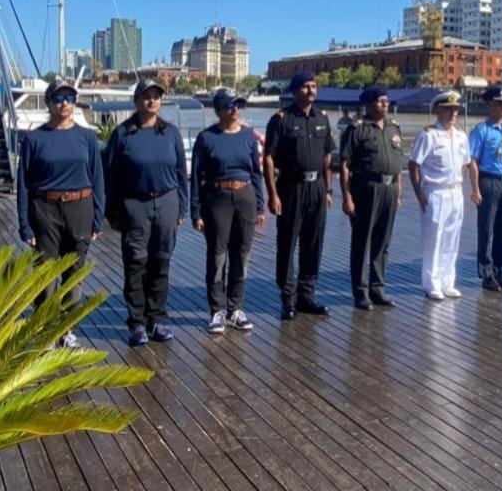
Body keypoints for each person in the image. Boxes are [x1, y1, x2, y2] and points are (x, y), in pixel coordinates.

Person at [17, 76, 105, 347]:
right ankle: (46, 330)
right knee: (45, 274)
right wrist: (24, 224)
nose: (64, 103)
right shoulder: (34, 139)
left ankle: (67, 329)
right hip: (45, 209)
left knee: (74, 274)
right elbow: (23, 183)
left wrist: (98, 218)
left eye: (70, 98)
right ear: (48, 102)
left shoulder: (87, 138)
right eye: (58, 98)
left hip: (80, 207)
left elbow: (98, 179)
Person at [104, 80, 188, 346]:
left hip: (166, 202)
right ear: (136, 100)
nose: (152, 101)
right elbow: (110, 176)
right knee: (136, 263)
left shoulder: (171, 133)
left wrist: (182, 207)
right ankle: (137, 324)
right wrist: (111, 211)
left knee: (161, 263)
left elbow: (181, 174)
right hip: (134, 205)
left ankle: (157, 320)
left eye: (156, 97)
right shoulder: (122, 134)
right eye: (146, 96)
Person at [192, 88, 266, 333]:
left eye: (239, 105)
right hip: (216, 198)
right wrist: (196, 211)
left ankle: (235, 308)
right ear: (219, 110)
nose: (236, 110)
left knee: (242, 255)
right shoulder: (206, 138)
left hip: (245, 196)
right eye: (231, 106)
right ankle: (217, 310)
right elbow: (196, 178)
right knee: (217, 255)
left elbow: (256, 172)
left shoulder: (247, 136)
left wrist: (260, 204)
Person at [264, 72, 334, 321]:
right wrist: (273, 194)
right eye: (305, 86)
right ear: (294, 91)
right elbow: (269, 158)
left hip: (317, 189)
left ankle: (307, 296)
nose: (311, 90)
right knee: (287, 244)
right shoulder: (281, 119)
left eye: (314, 86)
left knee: (313, 243)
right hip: (291, 188)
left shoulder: (323, 119)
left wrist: (328, 189)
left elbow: (328, 157)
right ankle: (288, 298)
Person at [339, 85, 403, 310]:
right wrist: (347, 197)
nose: (385, 104)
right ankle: (361, 291)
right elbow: (344, 165)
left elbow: (398, 165)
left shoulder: (394, 128)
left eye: (387, 100)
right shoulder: (357, 129)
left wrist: (399, 192)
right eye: (380, 101)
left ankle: (378, 287)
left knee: (383, 241)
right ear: (368, 104)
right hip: (366, 189)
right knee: (362, 241)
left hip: (389, 190)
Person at [408, 90, 474, 300]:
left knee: (451, 239)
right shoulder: (428, 135)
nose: (453, 113)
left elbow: (465, 163)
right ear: (438, 110)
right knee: (433, 238)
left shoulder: (461, 136)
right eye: (448, 109)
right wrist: (419, 193)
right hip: (435, 192)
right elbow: (413, 164)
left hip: (455, 192)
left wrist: (458, 183)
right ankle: (431, 283)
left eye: (455, 110)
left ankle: (447, 281)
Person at [468, 84, 502, 291]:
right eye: (499, 103)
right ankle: (486, 272)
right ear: (489, 106)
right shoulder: (481, 131)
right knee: (487, 229)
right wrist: (474, 188)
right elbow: (472, 160)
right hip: (489, 181)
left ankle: (499, 270)